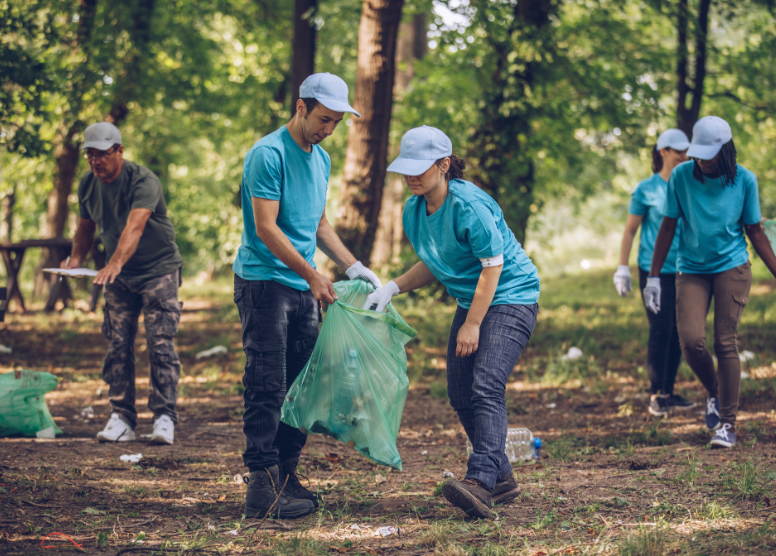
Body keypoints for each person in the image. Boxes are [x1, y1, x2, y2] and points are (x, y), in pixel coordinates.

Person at [364, 126, 540, 519]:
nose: (411, 175)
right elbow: (435, 262)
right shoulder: (414, 209)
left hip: (512, 295)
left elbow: (493, 267)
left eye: (420, 167)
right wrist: (391, 287)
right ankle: (504, 478)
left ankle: (480, 482)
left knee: (486, 385)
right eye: (405, 168)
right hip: (474, 298)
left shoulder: (469, 205)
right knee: (460, 393)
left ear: (444, 165)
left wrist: (473, 323)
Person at [235, 73, 383, 519]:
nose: (328, 129)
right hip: (265, 282)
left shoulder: (320, 159)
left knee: (303, 387)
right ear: (301, 107)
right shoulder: (268, 154)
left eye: (336, 122)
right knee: (267, 383)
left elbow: (317, 226)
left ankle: (285, 474)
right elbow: (266, 228)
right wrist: (313, 275)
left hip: (303, 285)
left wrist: (354, 267)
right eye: (323, 119)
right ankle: (260, 487)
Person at [645, 116, 776, 448]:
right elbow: (667, 227)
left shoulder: (745, 180)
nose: (700, 161)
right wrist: (654, 277)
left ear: (725, 151)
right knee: (691, 341)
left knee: (725, 342)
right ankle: (716, 392)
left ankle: (727, 425)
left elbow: (756, 233)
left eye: (708, 155)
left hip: (732, 265)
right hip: (691, 267)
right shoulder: (681, 177)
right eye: (697, 154)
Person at [66, 121, 184, 445]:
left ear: (119, 151)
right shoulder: (88, 184)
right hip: (119, 277)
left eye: (103, 154)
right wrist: (76, 258)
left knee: (160, 343)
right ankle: (121, 418)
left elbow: (135, 226)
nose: (96, 161)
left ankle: (164, 417)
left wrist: (114, 263)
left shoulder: (143, 180)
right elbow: (86, 227)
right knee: (118, 344)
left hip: (158, 270)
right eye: (90, 155)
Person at [614, 129, 694, 417]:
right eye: (679, 150)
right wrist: (622, 268)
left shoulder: (688, 183)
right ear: (663, 152)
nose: (686, 155)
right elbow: (630, 230)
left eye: (687, 150)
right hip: (654, 270)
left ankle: (669, 391)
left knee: (680, 332)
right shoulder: (646, 189)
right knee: (661, 329)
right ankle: (655, 393)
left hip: (686, 269)